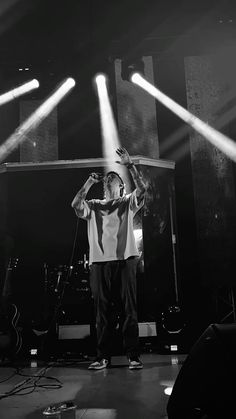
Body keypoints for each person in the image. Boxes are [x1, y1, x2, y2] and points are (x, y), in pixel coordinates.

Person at [71, 147, 146, 370]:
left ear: (121, 186)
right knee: (102, 312)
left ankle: (133, 355)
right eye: (107, 180)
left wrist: (129, 165)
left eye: (114, 179)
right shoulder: (94, 205)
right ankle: (102, 356)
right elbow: (75, 205)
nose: (110, 180)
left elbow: (142, 190)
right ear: (104, 186)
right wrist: (88, 183)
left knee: (129, 309)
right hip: (100, 263)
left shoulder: (127, 202)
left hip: (125, 261)